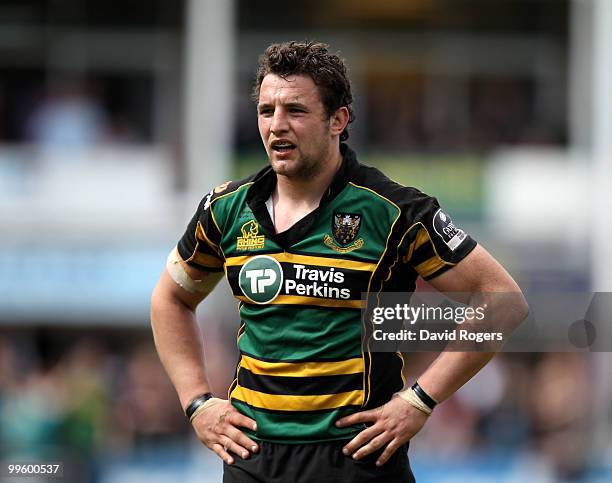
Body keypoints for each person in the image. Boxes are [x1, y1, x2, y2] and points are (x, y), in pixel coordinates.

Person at [150, 41, 528, 482]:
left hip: (356, 458)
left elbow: (503, 300)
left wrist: (420, 399)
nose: (277, 126)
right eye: (266, 110)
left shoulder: (394, 210)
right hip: (252, 456)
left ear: (338, 120)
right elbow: (170, 300)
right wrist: (197, 402)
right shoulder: (226, 209)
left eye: (295, 110)